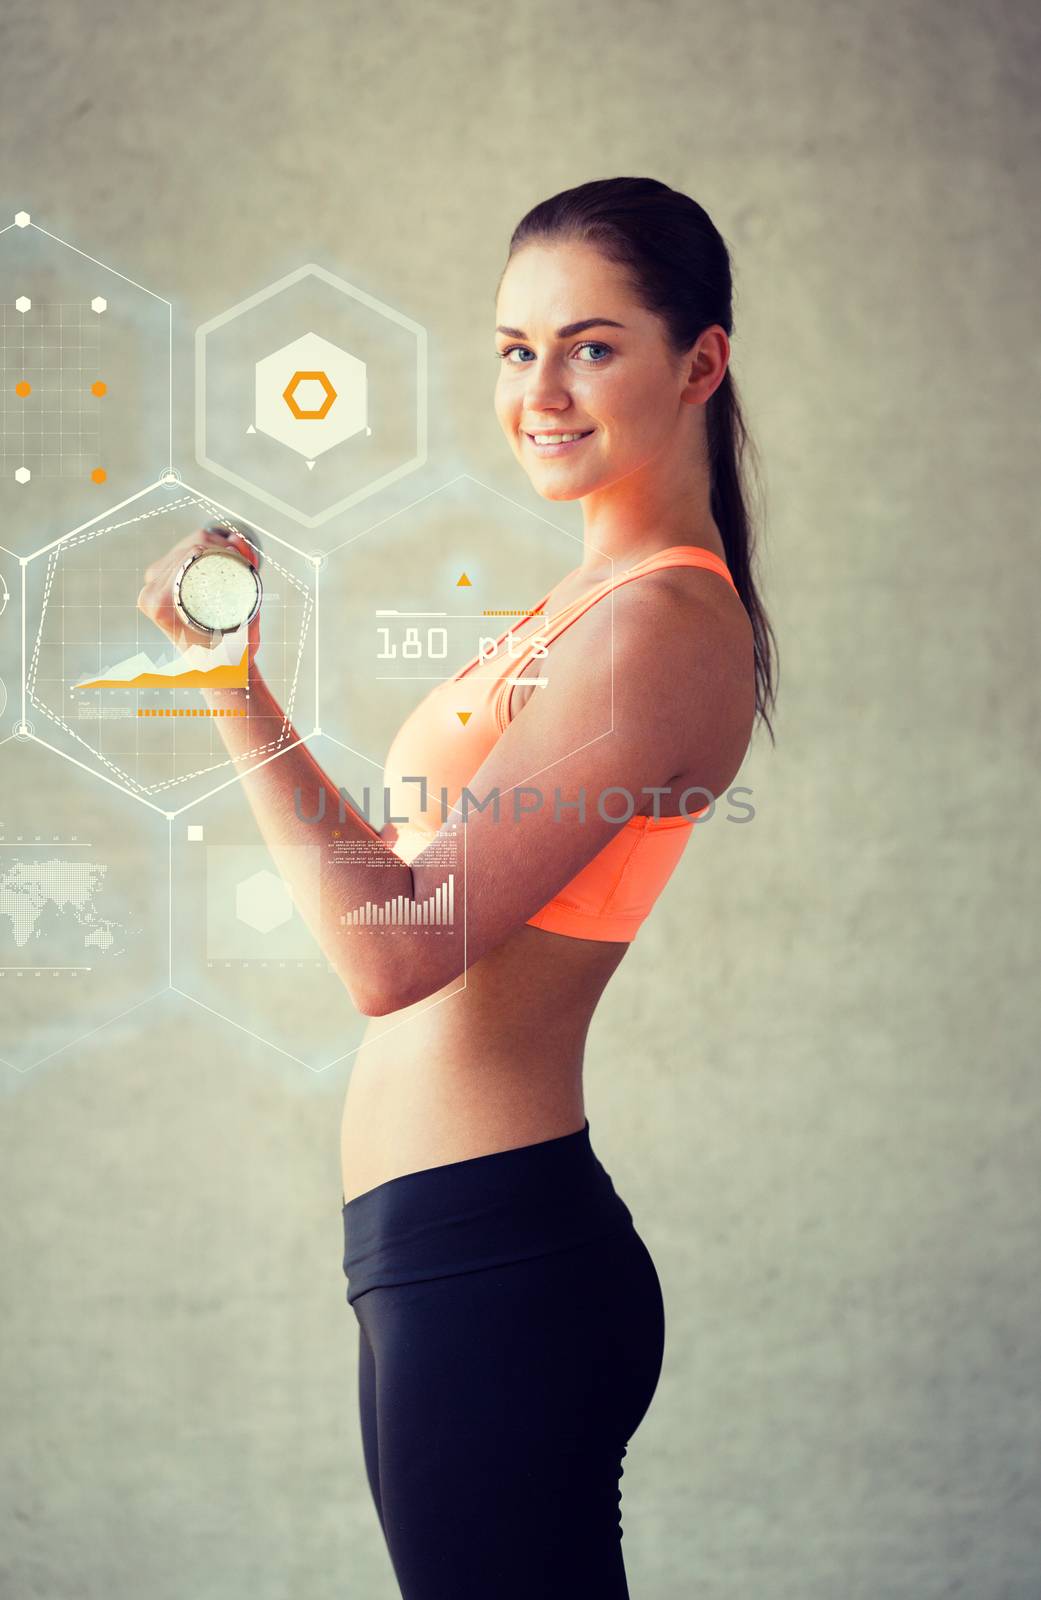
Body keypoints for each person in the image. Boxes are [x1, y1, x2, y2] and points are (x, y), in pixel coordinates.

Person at [138, 175, 778, 1599]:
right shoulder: (588, 606)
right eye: (512, 348)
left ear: (701, 361)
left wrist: (227, 689)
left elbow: (394, 953)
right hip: (444, 1247)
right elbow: (407, 892)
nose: (539, 390)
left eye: (590, 345)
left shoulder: (662, 623)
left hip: (495, 1257)